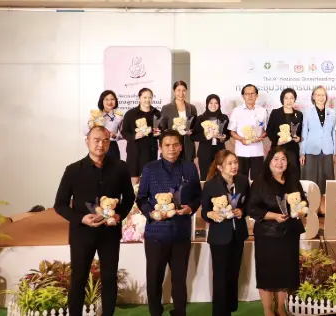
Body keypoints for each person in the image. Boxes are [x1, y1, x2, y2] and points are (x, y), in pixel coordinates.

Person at [54, 126, 135, 316]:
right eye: (96, 140)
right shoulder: (73, 170)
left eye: (105, 140)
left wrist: (119, 215)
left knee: (109, 278)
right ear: (87, 142)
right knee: (79, 278)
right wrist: (82, 218)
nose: (101, 144)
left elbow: (129, 198)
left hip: (110, 233)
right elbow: (60, 205)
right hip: (82, 234)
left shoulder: (120, 167)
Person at [136, 129, 202, 316]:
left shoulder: (190, 168)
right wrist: (151, 213)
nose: (171, 149)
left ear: (181, 147)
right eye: (167, 145)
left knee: (180, 278)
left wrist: (190, 208)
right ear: (160, 147)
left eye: (175, 145)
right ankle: (155, 311)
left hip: (181, 232)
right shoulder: (150, 169)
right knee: (154, 277)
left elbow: (198, 196)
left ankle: (180, 311)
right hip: (156, 233)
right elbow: (141, 198)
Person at [247, 146, 308, 316]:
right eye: (276, 159)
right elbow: (252, 209)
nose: (280, 163)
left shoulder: (293, 181)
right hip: (268, 235)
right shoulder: (260, 182)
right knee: (267, 274)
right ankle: (268, 311)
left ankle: (280, 309)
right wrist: (273, 216)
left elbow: (304, 201)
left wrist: (301, 210)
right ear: (269, 162)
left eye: (283, 159)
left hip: (289, 234)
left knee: (285, 273)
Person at [201, 150, 250, 316]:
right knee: (220, 276)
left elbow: (249, 204)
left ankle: (230, 307)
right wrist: (212, 214)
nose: (234, 166)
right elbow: (204, 212)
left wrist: (242, 211)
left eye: (235, 162)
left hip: (238, 235)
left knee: (233, 273)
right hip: (219, 237)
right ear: (220, 167)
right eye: (229, 163)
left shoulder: (243, 181)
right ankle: (220, 312)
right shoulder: (210, 185)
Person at [300, 86, 336, 197]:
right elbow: (304, 133)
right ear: (313, 97)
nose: (321, 97)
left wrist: (335, 152)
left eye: (323, 95)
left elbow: (333, 133)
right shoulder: (307, 113)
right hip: (311, 149)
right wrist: (302, 152)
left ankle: (326, 203)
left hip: (327, 149)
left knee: (327, 178)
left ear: (326, 97)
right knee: (311, 178)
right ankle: (311, 202)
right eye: (318, 95)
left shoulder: (332, 113)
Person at [121, 87, 161, 184]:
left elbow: (162, 131)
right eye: (145, 97)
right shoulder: (130, 114)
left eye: (150, 97)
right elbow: (124, 132)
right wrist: (135, 136)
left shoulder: (157, 113)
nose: (147, 100)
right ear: (139, 98)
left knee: (150, 181)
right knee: (134, 180)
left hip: (150, 151)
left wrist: (158, 133)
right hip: (135, 152)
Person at [229, 84, 268, 179]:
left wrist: (262, 137)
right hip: (241, 152)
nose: (250, 96)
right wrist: (241, 139)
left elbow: (267, 130)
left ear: (256, 95)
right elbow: (232, 132)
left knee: (258, 181)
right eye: (247, 94)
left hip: (257, 152)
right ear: (243, 96)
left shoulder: (263, 111)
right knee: (240, 180)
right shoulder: (236, 111)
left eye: (252, 93)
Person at [266, 88, 303, 180]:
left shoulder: (299, 114)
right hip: (277, 148)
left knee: (293, 175)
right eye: (286, 98)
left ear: (294, 99)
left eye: (291, 98)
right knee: (276, 175)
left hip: (292, 150)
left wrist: (299, 138)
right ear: (282, 99)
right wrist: (277, 141)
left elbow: (301, 132)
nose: (289, 101)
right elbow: (269, 130)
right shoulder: (275, 113)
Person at [191, 94, 229, 180]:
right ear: (207, 104)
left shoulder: (224, 118)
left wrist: (224, 137)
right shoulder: (201, 118)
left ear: (219, 104)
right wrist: (206, 136)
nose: (213, 105)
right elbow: (193, 136)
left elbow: (228, 134)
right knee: (205, 178)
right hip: (205, 153)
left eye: (216, 103)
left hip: (220, 152)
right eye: (211, 103)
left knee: (221, 177)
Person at [160, 81, 198, 164]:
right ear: (174, 91)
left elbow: (195, 127)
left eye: (184, 90)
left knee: (187, 170)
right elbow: (163, 128)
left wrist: (191, 131)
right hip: (172, 147)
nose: (181, 93)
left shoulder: (192, 108)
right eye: (178, 90)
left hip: (188, 147)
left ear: (186, 91)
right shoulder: (166, 108)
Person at [83, 90, 124, 161]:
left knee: (113, 167)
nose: (110, 102)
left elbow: (124, 134)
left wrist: (115, 135)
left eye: (112, 99)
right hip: (96, 145)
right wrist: (91, 126)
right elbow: (85, 132)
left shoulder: (119, 116)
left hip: (111, 146)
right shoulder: (94, 114)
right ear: (102, 101)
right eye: (106, 99)